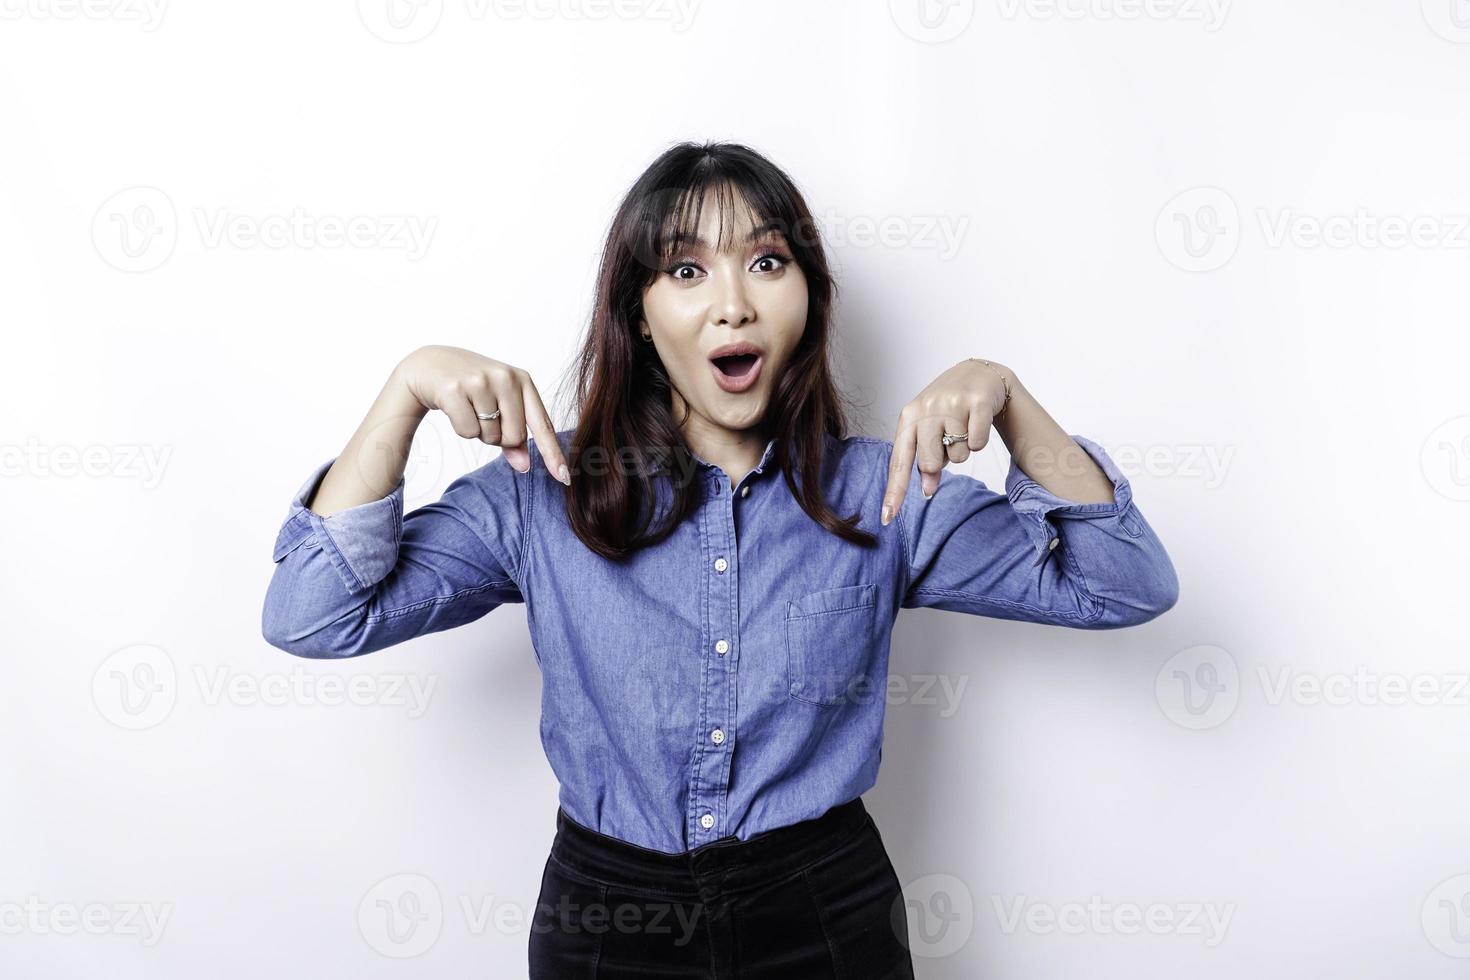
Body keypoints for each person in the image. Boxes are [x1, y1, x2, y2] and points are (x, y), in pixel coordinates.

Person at [261, 140, 1179, 978]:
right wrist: (406, 390)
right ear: (642, 314)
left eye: (768, 263)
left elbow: (1123, 584)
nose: (733, 302)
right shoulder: (542, 489)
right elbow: (312, 615)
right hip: (605, 926)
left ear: (809, 298)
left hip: (826, 915)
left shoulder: (887, 493)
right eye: (687, 270)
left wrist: (1014, 403)